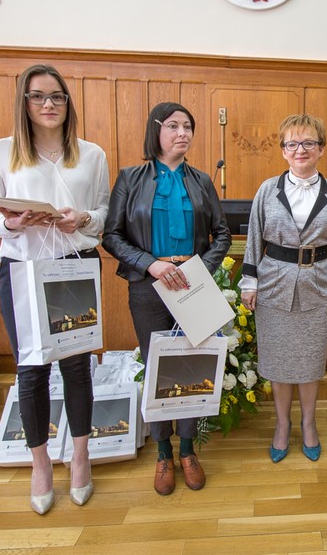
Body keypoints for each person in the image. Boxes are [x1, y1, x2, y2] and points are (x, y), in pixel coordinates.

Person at [0, 63, 110, 514]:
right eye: (38, 96)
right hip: (22, 267)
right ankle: (38, 464)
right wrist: (11, 222)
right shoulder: (0, 152)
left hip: (74, 265)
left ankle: (79, 456)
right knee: (31, 369)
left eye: (57, 96)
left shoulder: (91, 154)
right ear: (24, 102)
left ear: (68, 103)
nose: (49, 104)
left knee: (77, 366)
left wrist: (84, 219)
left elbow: (105, 210)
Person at [102, 102, 231, 496]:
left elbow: (222, 234)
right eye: (173, 125)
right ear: (155, 130)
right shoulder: (130, 178)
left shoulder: (202, 180)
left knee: (193, 366)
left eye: (188, 126)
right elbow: (112, 235)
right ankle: (162, 453)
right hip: (148, 286)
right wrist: (151, 265)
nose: (183, 133)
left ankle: (189, 450)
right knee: (158, 368)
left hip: (193, 285)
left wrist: (200, 269)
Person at [239, 114, 327, 463]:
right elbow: (253, 241)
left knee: (309, 361)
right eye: (292, 143)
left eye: (308, 143)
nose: (300, 149)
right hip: (273, 284)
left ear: (321, 149)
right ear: (284, 151)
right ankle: (281, 423)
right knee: (277, 361)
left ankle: (308, 422)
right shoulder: (266, 190)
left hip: (318, 284)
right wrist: (249, 282)